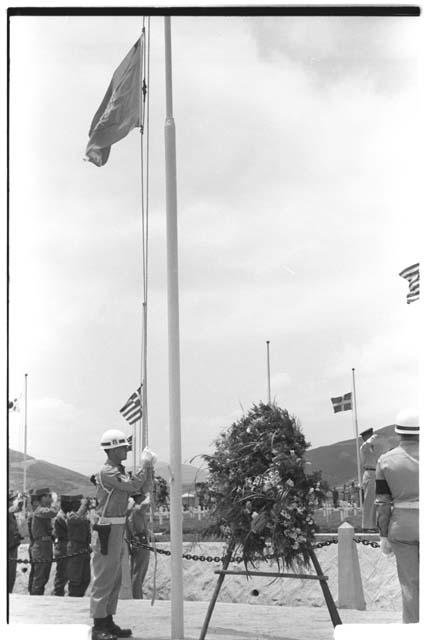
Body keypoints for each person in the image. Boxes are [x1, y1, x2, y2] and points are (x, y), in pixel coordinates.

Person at [89, 429, 157, 640]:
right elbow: (132, 485)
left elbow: (142, 488)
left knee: (115, 577)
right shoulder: (108, 472)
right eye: (124, 446)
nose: (127, 448)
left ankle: (108, 621)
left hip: (117, 527)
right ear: (113, 448)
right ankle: (98, 626)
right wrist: (144, 466)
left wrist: (150, 469)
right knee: (104, 576)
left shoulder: (118, 471)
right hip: (107, 527)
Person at [376, 409, 419, 623]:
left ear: (398, 433)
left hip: (402, 525)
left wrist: (383, 535)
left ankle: (413, 630)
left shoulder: (385, 460)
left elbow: (383, 503)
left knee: (409, 584)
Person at [29, 487, 59, 595]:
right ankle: (35, 600)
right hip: (40, 547)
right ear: (42, 498)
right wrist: (55, 502)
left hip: (45, 545)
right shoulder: (39, 510)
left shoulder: (43, 510)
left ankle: (37, 597)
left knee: (44, 576)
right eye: (48, 496)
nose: (50, 498)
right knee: (39, 578)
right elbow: (53, 512)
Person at [126, 492, 151, 599]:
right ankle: (136, 596)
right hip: (141, 542)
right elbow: (147, 504)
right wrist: (151, 493)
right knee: (138, 572)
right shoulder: (137, 510)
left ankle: (137, 595)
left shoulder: (131, 511)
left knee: (137, 571)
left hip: (137, 541)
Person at [360, 427, 386, 531]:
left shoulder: (372, 447)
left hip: (376, 472)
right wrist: (371, 439)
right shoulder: (364, 447)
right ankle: (368, 526)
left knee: (378, 500)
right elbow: (366, 445)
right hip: (370, 473)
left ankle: (375, 524)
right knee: (369, 500)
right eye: (370, 436)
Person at [67, 495, 92, 597]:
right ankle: (73, 598)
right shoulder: (71, 516)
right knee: (75, 578)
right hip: (75, 548)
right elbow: (76, 519)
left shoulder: (83, 516)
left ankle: (79, 596)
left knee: (85, 578)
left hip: (84, 548)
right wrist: (84, 505)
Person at [52, 495, 73, 596]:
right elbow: (68, 529)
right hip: (62, 546)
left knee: (66, 573)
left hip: (65, 546)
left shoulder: (65, 515)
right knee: (61, 574)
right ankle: (57, 593)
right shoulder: (60, 517)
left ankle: (59, 592)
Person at [8, 490, 23, 593]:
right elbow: (14, 508)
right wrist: (20, 502)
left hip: (12, 546)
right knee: (9, 575)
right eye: (11, 500)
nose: (12, 501)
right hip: (9, 548)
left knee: (11, 575)